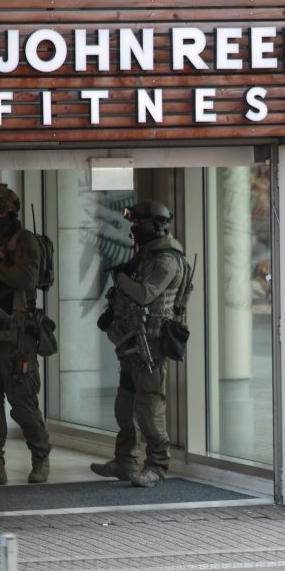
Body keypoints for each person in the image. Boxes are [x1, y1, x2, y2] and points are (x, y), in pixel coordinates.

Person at [91, 200, 186, 488]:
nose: (134, 228)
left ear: (157, 225)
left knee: (148, 409)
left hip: (152, 345)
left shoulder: (166, 260)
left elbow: (144, 294)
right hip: (131, 341)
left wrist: (119, 277)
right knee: (125, 406)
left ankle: (157, 465)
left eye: (139, 223)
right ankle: (125, 462)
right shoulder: (146, 255)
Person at [0, 184, 52, 486]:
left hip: (17, 335)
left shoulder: (25, 242)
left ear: (11, 212)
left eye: (1, 212)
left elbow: (26, 278)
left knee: (22, 403)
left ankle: (40, 455)